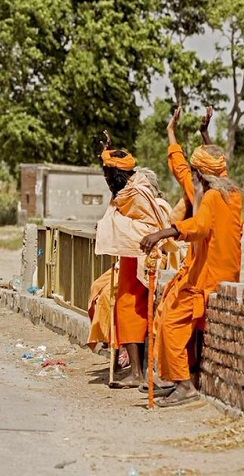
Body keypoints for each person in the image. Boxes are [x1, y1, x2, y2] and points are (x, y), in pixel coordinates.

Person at [140, 142, 243, 407]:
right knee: (167, 311)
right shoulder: (232, 195)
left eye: (194, 173)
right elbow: (195, 167)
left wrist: (161, 234)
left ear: (200, 175)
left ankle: (185, 386)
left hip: (208, 277)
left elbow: (198, 226)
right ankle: (175, 377)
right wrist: (174, 137)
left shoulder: (210, 198)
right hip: (212, 272)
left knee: (170, 324)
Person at [93, 146, 171, 388]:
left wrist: (114, 227)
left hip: (143, 257)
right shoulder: (126, 189)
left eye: (107, 176)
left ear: (117, 175)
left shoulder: (137, 194)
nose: (106, 181)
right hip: (130, 254)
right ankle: (133, 368)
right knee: (119, 304)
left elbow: (148, 226)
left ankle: (137, 372)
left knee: (128, 306)